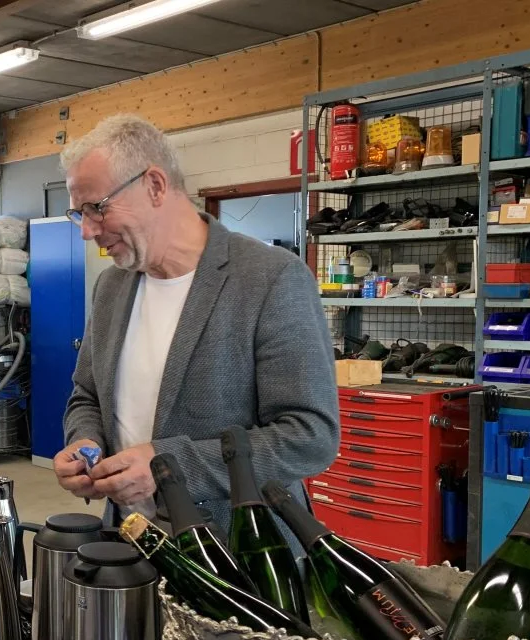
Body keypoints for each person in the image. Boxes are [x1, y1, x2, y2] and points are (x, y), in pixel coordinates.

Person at [52, 114, 338, 548]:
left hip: (244, 558)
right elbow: (86, 396)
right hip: (132, 547)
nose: (87, 230)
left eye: (97, 207)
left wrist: (170, 467)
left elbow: (309, 437)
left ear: (154, 185)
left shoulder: (270, 278)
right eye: (80, 213)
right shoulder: (111, 287)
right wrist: (85, 444)